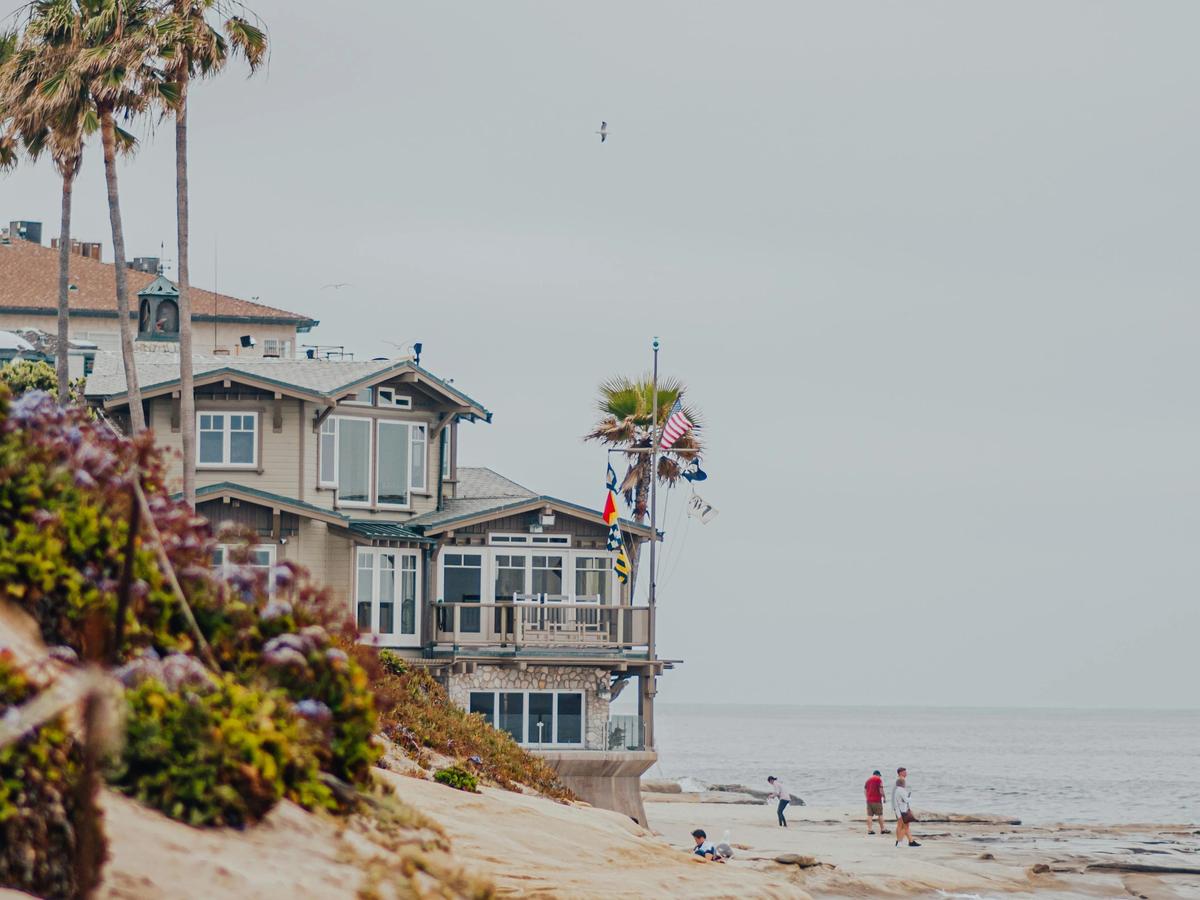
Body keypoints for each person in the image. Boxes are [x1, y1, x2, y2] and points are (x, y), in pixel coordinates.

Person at [892, 767, 921, 847]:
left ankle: (910, 841)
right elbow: (903, 797)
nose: (906, 773)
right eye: (904, 772)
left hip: (901, 807)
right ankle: (899, 841)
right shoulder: (900, 782)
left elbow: (897, 796)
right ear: (900, 773)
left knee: (904, 825)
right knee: (902, 825)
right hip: (901, 808)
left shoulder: (899, 782)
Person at [864, 769, 890, 835]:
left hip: (869, 801)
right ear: (878, 775)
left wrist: (867, 798)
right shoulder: (878, 779)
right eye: (879, 776)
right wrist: (884, 797)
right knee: (880, 814)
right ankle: (883, 829)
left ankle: (870, 830)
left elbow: (865, 790)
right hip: (877, 800)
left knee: (869, 815)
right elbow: (881, 790)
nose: (880, 777)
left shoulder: (867, 780)